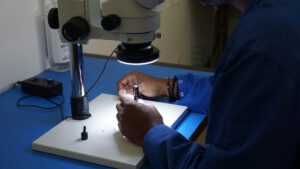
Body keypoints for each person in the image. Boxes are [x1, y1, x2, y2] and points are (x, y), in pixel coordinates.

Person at [116, 0, 300, 168]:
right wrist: (169, 88)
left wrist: (150, 132)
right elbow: (244, 88)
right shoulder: (279, 13)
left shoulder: (264, 41)